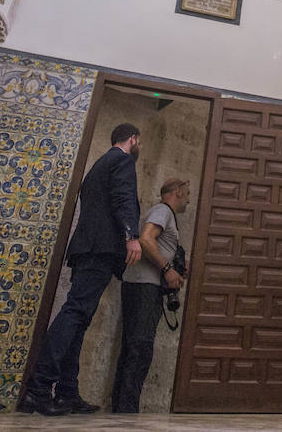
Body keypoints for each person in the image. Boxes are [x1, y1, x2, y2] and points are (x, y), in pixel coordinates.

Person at [17, 123, 143, 417]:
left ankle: (66, 393)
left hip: (86, 249)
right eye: (140, 142)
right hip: (101, 249)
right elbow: (123, 199)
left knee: (79, 318)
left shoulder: (99, 166)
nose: (139, 148)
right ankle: (38, 391)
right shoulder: (122, 160)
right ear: (133, 139)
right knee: (74, 313)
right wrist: (131, 235)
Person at [111, 177, 191, 413]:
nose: (189, 198)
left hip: (143, 285)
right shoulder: (162, 210)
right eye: (187, 193)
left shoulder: (163, 213)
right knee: (140, 348)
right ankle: (127, 411)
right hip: (144, 286)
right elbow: (145, 239)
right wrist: (167, 270)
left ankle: (122, 409)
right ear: (176, 192)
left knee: (133, 347)